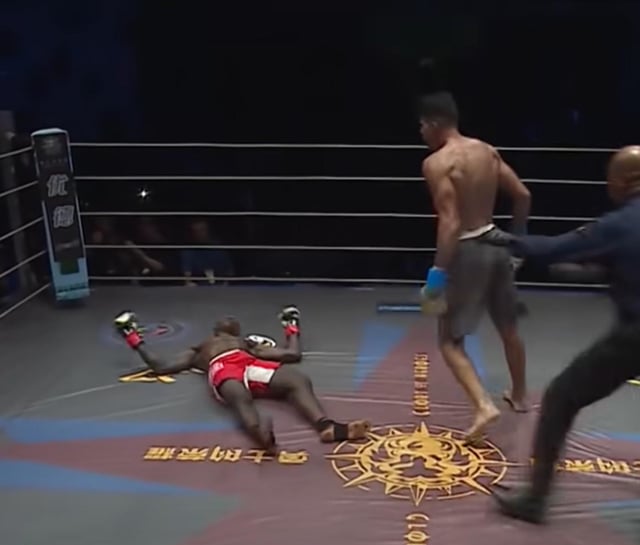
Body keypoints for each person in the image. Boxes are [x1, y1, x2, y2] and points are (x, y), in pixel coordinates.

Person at [485, 145, 640, 523]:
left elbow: (561, 247)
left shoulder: (623, 222)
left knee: (560, 396)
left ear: (624, 181)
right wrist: (581, 272)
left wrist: (503, 238)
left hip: (635, 337)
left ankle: (534, 500)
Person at [417, 91, 532, 443]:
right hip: (497, 243)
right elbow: (523, 195)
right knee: (508, 326)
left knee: (449, 341)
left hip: (467, 251)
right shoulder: (487, 151)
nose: (421, 132)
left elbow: (451, 222)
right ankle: (520, 395)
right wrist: (518, 245)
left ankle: (483, 406)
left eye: (422, 126)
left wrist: (437, 274)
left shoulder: (437, 163)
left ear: (434, 123)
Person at [114, 305, 370, 454]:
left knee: (296, 379)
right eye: (227, 320)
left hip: (248, 362)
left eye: (233, 321)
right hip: (223, 366)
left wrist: (291, 327)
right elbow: (162, 366)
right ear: (216, 329)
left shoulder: (246, 343)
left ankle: (326, 427)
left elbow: (292, 354)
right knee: (239, 397)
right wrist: (133, 338)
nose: (230, 318)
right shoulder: (200, 348)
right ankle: (261, 437)